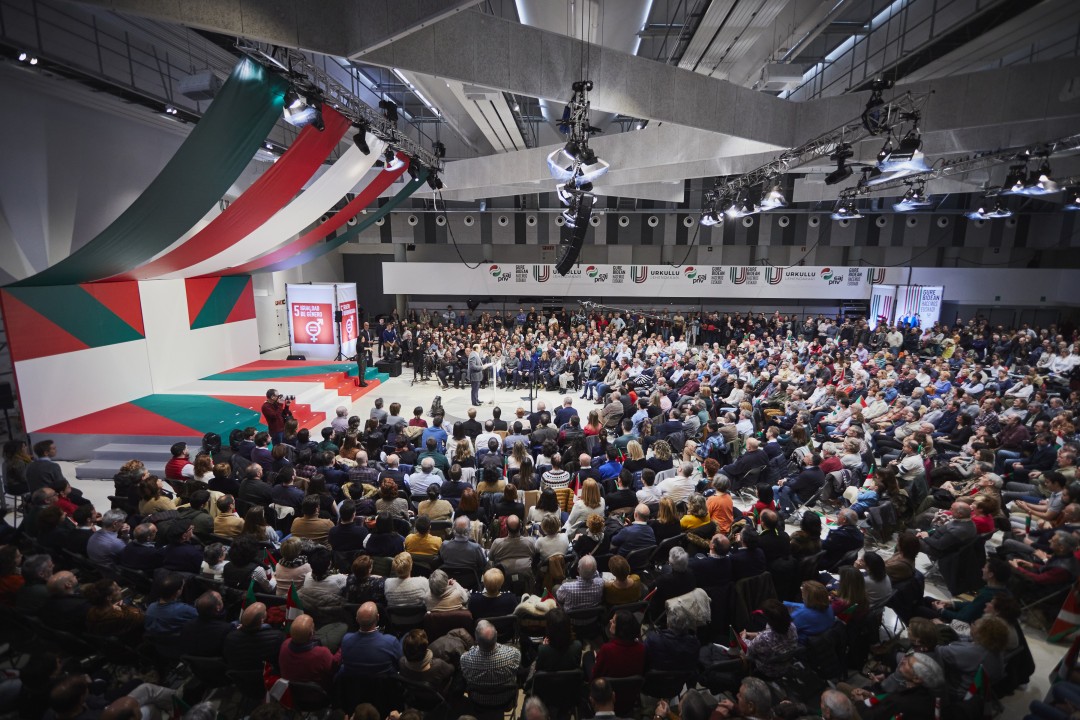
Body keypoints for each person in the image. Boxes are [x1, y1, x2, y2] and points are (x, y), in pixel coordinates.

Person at [461, 619, 522, 707]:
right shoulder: (514, 655)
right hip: (505, 701)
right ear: (496, 635)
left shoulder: (465, 660)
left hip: (478, 702)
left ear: (476, 640)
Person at [338, 602, 402, 677]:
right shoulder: (391, 641)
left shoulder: (346, 640)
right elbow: (400, 664)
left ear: (357, 619)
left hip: (354, 683)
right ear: (378, 617)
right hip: (386, 683)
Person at [279, 613, 341, 691]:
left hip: (292, 691)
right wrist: (342, 649)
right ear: (312, 633)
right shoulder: (322, 653)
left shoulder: (285, 645)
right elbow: (334, 667)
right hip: (320, 692)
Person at [741, 599, 798, 679]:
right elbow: (769, 634)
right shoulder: (792, 627)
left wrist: (743, 637)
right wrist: (753, 634)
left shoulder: (763, 639)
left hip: (767, 673)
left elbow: (748, 650)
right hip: (785, 667)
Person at [399, 628, 454, 693]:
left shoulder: (401, 661)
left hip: (414, 692)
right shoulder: (438, 664)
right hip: (433, 695)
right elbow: (452, 669)